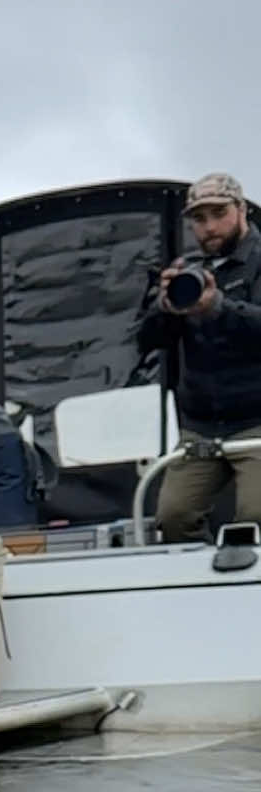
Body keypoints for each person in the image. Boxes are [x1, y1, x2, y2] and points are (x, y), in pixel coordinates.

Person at [136, 172, 261, 543]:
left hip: (257, 420)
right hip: (202, 423)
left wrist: (217, 307)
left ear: (241, 210)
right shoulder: (186, 269)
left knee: (255, 518)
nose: (209, 227)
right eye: (199, 219)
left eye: (218, 213)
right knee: (172, 519)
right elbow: (145, 342)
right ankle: (203, 594)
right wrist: (165, 307)